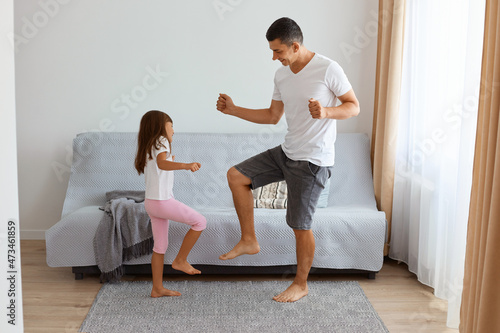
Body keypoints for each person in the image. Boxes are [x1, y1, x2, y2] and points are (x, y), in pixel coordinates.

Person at [216, 17, 360, 303]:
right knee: (236, 175)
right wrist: (233, 110)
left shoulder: (328, 68)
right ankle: (249, 240)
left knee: (299, 225)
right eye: (271, 51)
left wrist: (327, 113)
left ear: (295, 46)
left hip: (313, 161)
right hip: (287, 152)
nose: (274, 57)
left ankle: (301, 284)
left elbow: (353, 107)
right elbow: (272, 116)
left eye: (278, 51)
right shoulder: (281, 75)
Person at [134, 110, 207, 298]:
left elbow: (160, 166)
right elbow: (161, 164)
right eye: (171, 125)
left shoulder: (150, 144)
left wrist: (170, 161)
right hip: (162, 202)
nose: (174, 130)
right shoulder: (161, 140)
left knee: (160, 247)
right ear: (160, 126)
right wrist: (185, 165)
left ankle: (157, 288)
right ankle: (181, 260)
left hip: (151, 203)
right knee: (200, 222)